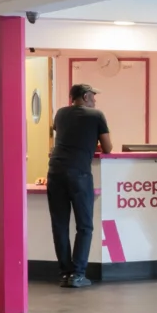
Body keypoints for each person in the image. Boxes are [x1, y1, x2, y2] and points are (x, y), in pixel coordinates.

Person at [47, 84, 111, 288]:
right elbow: (108, 148)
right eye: (93, 96)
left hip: (55, 171)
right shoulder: (96, 115)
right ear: (85, 96)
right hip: (79, 173)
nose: (95, 100)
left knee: (60, 225)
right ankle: (78, 274)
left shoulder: (60, 113)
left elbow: (66, 135)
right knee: (84, 225)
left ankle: (65, 273)